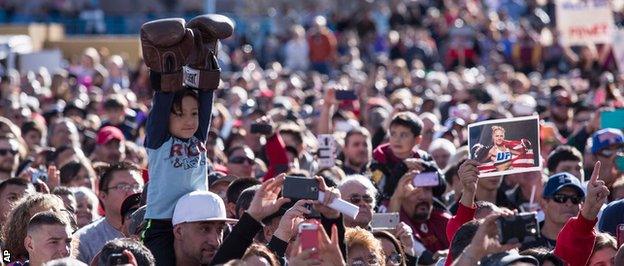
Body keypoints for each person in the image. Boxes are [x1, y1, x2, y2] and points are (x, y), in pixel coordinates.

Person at [140, 14, 234, 266]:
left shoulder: (198, 139)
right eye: (180, 115)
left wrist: (205, 62)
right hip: (162, 224)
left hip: (199, 222)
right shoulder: (160, 140)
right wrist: (167, 66)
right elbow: (162, 103)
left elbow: (206, 97)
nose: (190, 121)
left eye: (193, 114)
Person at [73, 162, 144, 264]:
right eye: (122, 186)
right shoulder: (83, 240)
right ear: (103, 196)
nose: (133, 192)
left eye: (137, 186)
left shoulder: (156, 230)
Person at [372, 111, 432, 200]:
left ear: (417, 140)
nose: (397, 139)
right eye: (393, 134)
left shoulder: (423, 158)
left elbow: (440, 187)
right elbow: (383, 193)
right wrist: (402, 166)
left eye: (404, 135)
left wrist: (421, 175)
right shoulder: (378, 161)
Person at [2, 194, 67, 263]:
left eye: (53, 217)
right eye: (40, 219)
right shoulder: (8, 257)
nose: (49, 223)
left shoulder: (69, 257)